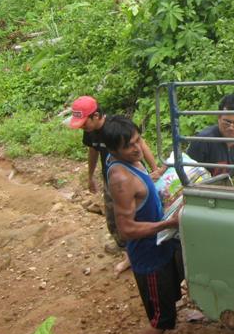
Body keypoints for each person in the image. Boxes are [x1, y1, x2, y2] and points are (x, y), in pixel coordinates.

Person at [101, 116, 183, 334]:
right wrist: (168, 224)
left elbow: (142, 201)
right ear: (114, 150)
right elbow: (126, 229)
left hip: (161, 244)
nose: (137, 148)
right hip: (149, 255)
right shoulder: (121, 179)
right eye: (129, 146)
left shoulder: (132, 161)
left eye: (138, 140)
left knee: (166, 301)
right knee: (161, 318)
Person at [68, 95, 164, 274]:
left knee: (140, 216)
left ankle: (138, 253)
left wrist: (154, 169)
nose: (82, 127)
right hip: (112, 182)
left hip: (132, 180)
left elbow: (140, 143)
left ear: (96, 116)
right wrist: (90, 176)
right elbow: (93, 150)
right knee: (114, 220)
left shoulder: (116, 128)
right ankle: (129, 253)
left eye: (84, 123)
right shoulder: (90, 132)